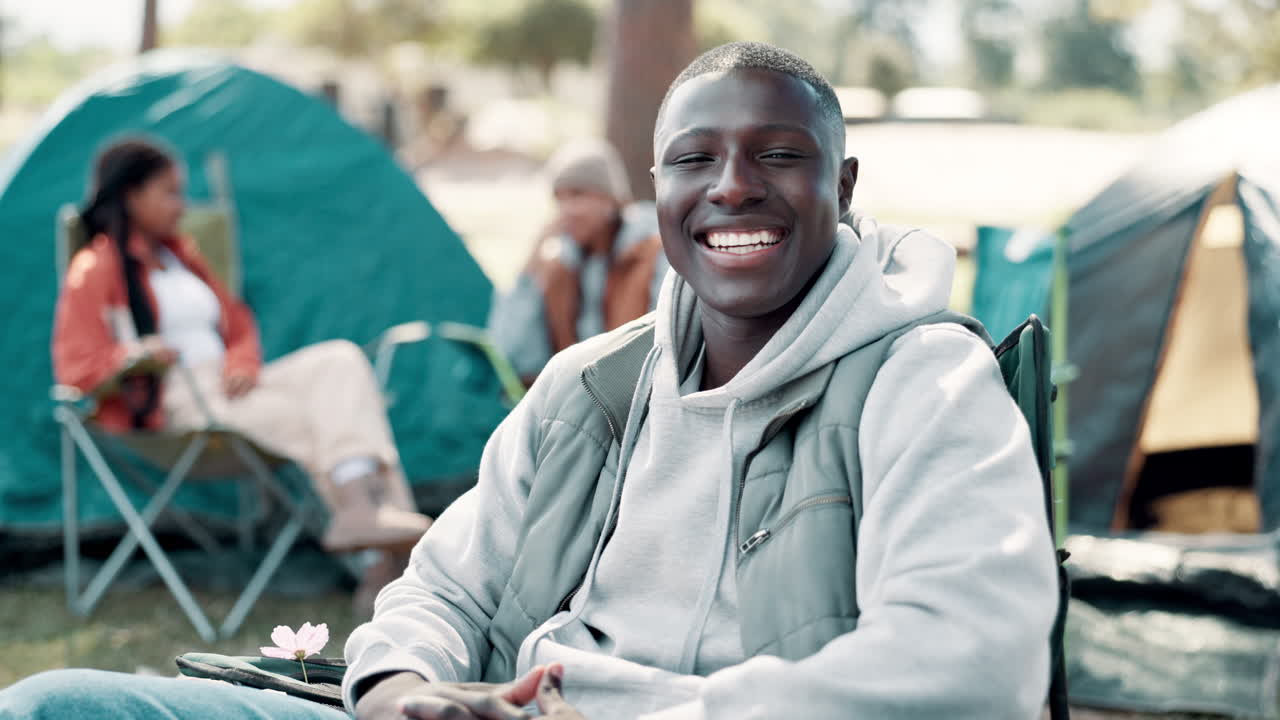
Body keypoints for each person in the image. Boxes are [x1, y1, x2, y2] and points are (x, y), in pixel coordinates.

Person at [2, 42, 1057, 720]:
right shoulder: (587, 388)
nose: (732, 186)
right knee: (56, 707)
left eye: (778, 154)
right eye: (695, 159)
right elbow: (443, 589)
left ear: (843, 182)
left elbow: (971, 662)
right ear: (657, 188)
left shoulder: (921, 381)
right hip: (490, 704)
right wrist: (403, 689)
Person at [49, 138, 432, 603]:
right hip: (179, 398)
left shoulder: (180, 255)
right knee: (322, 419)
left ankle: (362, 519)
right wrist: (136, 354)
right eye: (170, 192)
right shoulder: (96, 268)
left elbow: (237, 322)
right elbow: (75, 367)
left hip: (234, 383)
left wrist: (241, 361)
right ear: (132, 195)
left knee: (340, 361)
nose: (182, 205)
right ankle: (386, 569)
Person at [488, 139, 668, 384]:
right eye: (559, 199)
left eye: (577, 195)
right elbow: (511, 356)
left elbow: (666, 347)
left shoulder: (654, 255)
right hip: (580, 399)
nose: (566, 210)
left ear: (611, 199)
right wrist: (531, 266)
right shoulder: (560, 268)